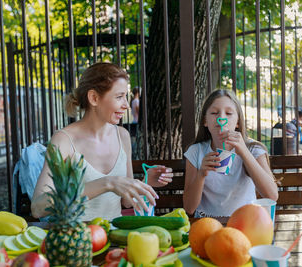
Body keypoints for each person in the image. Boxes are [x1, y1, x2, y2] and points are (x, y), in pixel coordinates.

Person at [31, 62, 173, 221]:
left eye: (125, 97)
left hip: (115, 238)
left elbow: (126, 202)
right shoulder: (63, 140)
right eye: (119, 97)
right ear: (94, 98)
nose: (126, 105)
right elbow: (38, 207)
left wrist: (146, 181)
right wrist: (106, 183)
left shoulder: (123, 136)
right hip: (78, 239)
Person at [183, 89, 278, 217]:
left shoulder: (253, 150)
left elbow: (272, 195)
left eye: (228, 113)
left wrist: (244, 152)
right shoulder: (196, 152)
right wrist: (201, 174)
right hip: (207, 224)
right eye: (214, 113)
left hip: (244, 222)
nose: (221, 118)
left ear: (238, 122)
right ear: (205, 121)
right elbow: (189, 208)